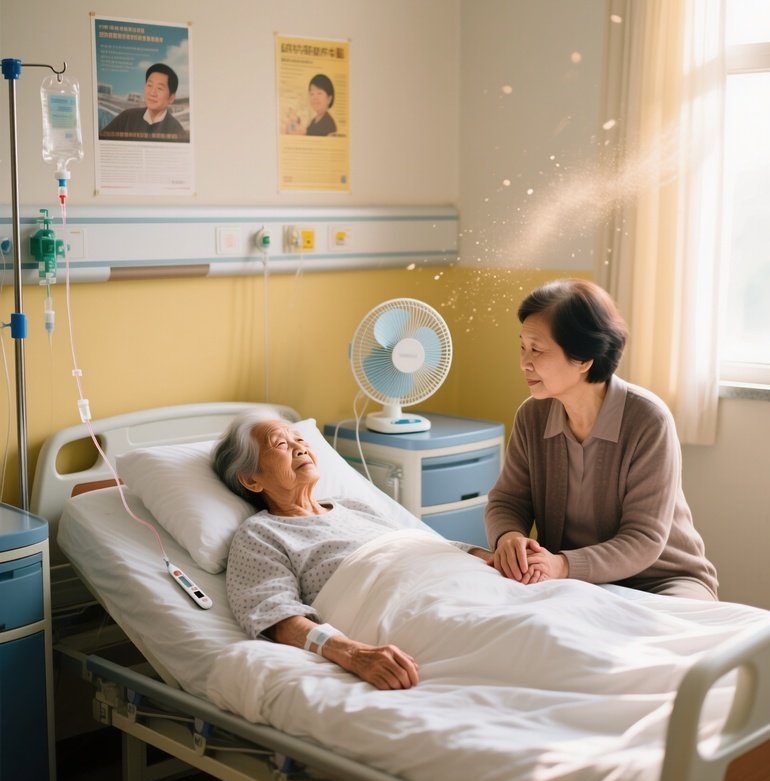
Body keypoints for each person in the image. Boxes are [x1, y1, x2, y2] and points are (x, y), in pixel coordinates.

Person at [214, 411, 497, 691]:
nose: (300, 448)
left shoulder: (353, 506)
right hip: (411, 611)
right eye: (281, 444)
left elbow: (419, 542)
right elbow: (275, 617)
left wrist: (490, 558)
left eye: (300, 439)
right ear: (251, 480)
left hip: (459, 584)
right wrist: (353, 654)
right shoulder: (261, 534)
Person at [485, 278, 719, 600]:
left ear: (583, 359)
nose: (524, 362)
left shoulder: (648, 420)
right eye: (522, 346)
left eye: (537, 349)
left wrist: (562, 565)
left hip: (661, 580)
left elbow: (643, 539)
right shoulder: (532, 416)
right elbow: (508, 501)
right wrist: (508, 537)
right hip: (570, 580)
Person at [100, 63, 188, 142]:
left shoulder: (177, 131)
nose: (152, 93)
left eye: (159, 88)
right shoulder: (126, 117)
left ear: (171, 98)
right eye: (149, 85)